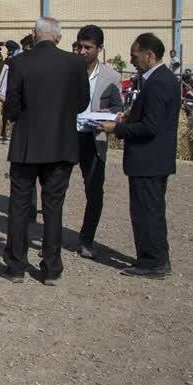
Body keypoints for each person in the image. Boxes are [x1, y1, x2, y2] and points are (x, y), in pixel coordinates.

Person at [2, 17, 90, 285]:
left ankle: (16, 266)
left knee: (19, 205)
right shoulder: (75, 63)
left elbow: (12, 107)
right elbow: (82, 102)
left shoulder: (19, 62)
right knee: (53, 207)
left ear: (34, 35)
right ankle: (51, 268)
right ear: (59, 38)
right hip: (61, 144)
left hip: (26, 145)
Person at [98, 33, 177, 278]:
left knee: (147, 212)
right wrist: (129, 117)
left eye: (135, 56)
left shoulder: (158, 83)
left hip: (149, 160)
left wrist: (117, 128)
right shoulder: (162, 80)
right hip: (154, 160)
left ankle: (154, 262)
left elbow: (150, 127)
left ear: (149, 55)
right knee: (150, 210)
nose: (133, 61)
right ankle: (153, 257)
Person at [73, 25, 123, 259]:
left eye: (87, 48)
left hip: (94, 139)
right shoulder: (68, 71)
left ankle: (86, 239)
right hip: (68, 136)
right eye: (79, 46)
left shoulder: (112, 77)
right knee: (55, 187)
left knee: (94, 191)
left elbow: (118, 108)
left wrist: (109, 114)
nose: (82, 52)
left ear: (99, 49)